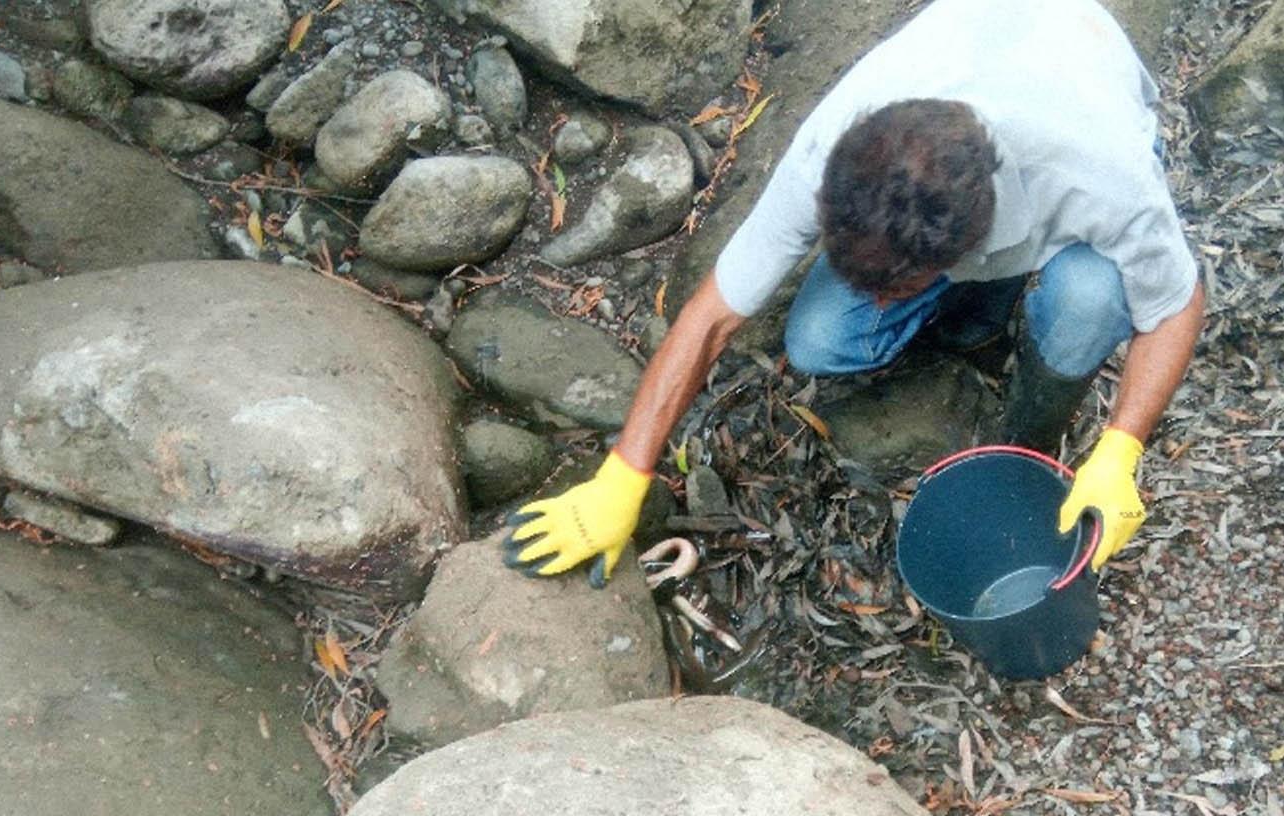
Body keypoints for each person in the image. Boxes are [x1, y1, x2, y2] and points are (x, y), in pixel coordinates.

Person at [503, 0, 1204, 587]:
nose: (880, 294)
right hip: (978, 58)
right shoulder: (840, 145)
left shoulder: (1097, 170)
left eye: (899, 283)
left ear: (964, 246)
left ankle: (1029, 438)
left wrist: (1120, 449)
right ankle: (978, 311)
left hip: (1067, 61)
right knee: (818, 339)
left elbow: (1175, 302)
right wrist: (624, 472)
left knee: (1089, 294)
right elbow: (712, 316)